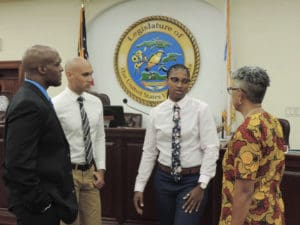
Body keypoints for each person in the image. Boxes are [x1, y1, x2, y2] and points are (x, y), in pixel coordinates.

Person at [133, 64, 220, 225]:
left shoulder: (201, 109)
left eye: (185, 81)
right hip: (163, 181)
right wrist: (139, 186)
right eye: (175, 80)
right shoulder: (156, 112)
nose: (180, 85)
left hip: (192, 181)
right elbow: (149, 152)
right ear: (167, 81)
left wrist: (202, 186)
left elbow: (211, 149)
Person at [3, 45, 78, 225]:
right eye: (57, 64)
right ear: (42, 69)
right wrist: (41, 204)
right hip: (37, 207)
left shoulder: (35, 97)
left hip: (45, 200)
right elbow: (17, 163)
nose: (61, 68)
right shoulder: (28, 102)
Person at [219, 66, 286, 225]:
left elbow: (244, 191)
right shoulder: (273, 122)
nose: (231, 94)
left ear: (240, 95)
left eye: (232, 89)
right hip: (272, 213)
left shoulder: (247, 131)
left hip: (250, 218)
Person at [53, 57, 106, 225]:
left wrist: (101, 168)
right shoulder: (55, 105)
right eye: (85, 75)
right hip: (67, 174)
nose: (91, 79)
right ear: (69, 75)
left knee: (94, 222)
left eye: (91, 74)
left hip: (91, 173)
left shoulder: (96, 102)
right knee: (69, 222)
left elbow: (99, 137)